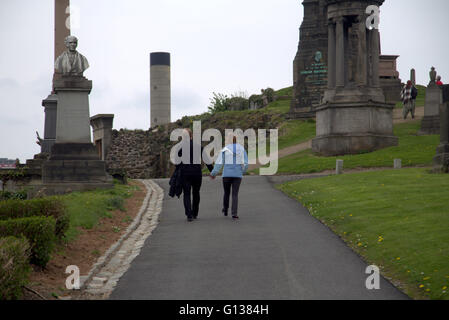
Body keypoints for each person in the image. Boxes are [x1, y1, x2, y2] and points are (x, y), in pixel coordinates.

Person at [178, 129, 213, 222]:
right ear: (191, 136)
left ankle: (189, 215)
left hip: (185, 173)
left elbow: (177, 162)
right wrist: (212, 171)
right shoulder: (199, 146)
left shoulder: (180, 148)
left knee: (186, 193)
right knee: (196, 193)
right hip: (197, 173)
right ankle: (195, 213)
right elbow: (206, 159)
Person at [210, 134, 248, 220]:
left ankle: (225, 209)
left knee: (226, 192)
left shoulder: (225, 149)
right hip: (237, 175)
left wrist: (213, 173)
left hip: (226, 175)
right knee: (235, 194)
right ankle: (234, 213)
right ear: (235, 140)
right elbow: (245, 163)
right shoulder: (241, 149)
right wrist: (243, 171)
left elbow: (219, 163)